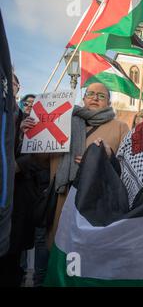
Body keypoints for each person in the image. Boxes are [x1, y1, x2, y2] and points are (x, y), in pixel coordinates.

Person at [21, 83, 130, 249]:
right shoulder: (62, 121)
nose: (95, 98)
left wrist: (106, 159)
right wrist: (31, 135)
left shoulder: (120, 127)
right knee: (58, 255)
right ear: (84, 98)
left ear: (108, 103)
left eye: (101, 96)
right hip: (62, 199)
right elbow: (40, 162)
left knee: (87, 255)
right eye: (90, 94)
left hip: (95, 202)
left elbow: (124, 168)